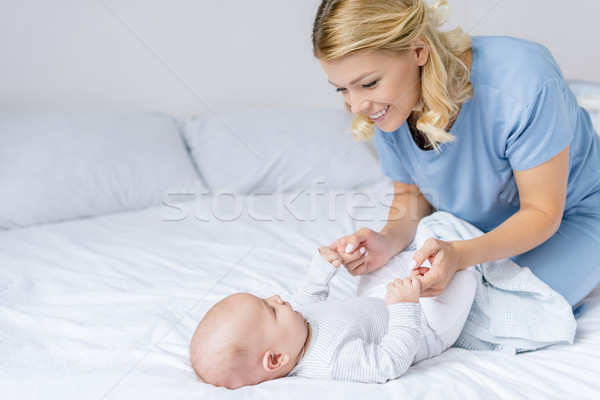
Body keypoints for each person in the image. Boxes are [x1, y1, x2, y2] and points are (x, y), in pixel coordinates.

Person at [313, 0, 600, 311]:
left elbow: (542, 212)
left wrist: (460, 255)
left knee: (504, 313)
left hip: (574, 215)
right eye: (341, 89)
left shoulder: (523, 83)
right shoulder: (386, 104)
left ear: (418, 50)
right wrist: (387, 240)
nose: (356, 106)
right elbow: (411, 194)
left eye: (367, 84)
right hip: (478, 228)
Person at [189, 246, 477, 389]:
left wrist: (322, 267)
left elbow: (307, 296)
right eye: (271, 309)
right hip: (424, 328)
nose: (277, 298)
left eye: (266, 298)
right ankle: (465, 265)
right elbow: (389, 362)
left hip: (381, 301)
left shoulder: (295, 329)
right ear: (276, 359)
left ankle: (428, 260)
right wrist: (405, 307)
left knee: (374, 270)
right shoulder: (333, 359)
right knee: (464, 276)